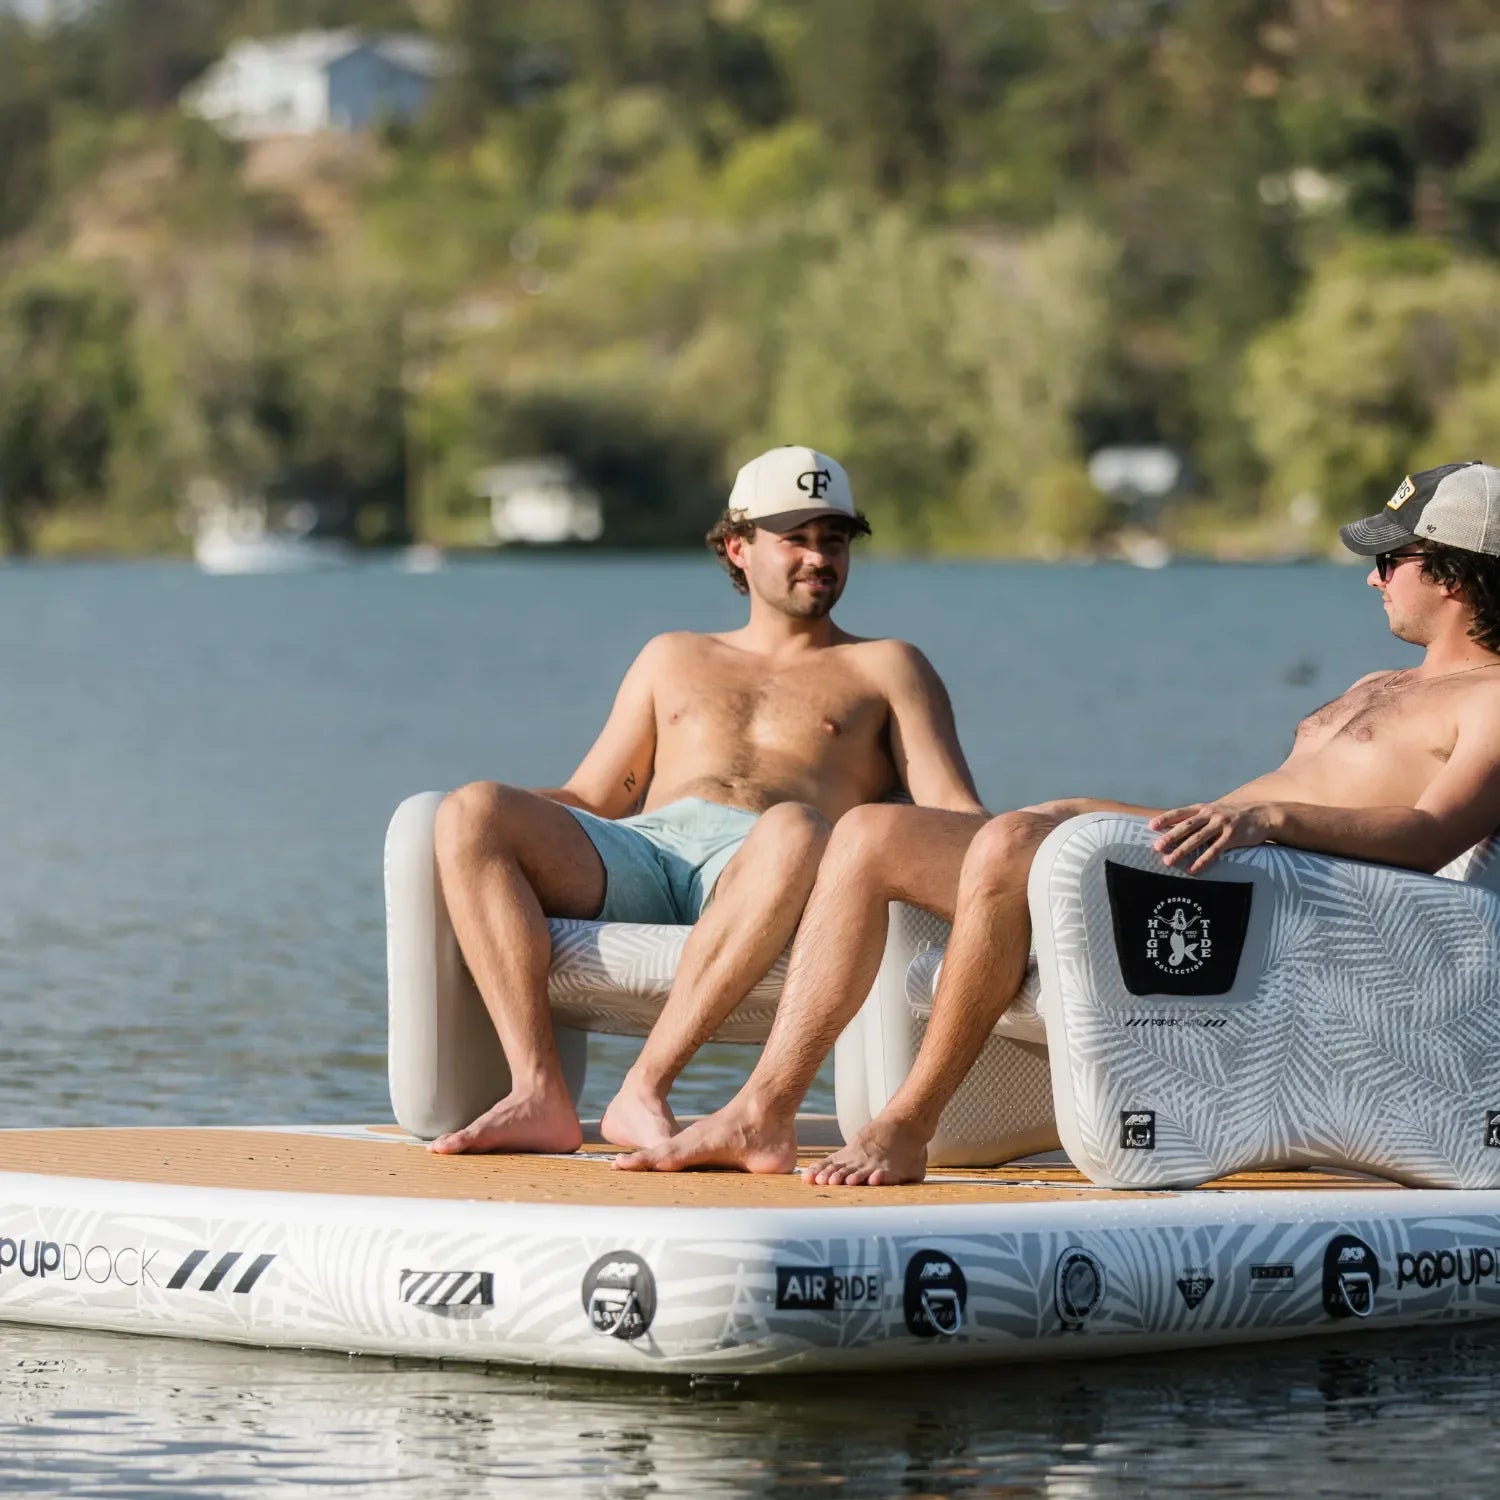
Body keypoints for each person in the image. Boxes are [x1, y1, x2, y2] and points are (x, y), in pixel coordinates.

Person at [616, 460, 1500, 1183]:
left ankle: (908, 1123)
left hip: (1283, 913)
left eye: (1395, 559)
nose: (1375, 576)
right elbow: (1229, 812)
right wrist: (1090, 812)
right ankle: (763, 1109)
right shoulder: (1379, 686)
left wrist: (1272, 818)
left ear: (1455, 574)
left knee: (1008, 843)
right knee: (871, 836)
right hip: (1222, 864)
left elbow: (1431, 837)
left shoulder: (1493, 697)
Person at [427, 445, 982, 1156]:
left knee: (794, 829)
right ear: (736, 547)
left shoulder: (887, 667)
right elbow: (595, 796)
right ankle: (537, 1091)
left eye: (835, 542)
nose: (820, 558)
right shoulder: (672, 656)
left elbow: (954, 811)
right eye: (798, 541)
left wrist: (1052, 831)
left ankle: (644, 1086)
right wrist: (482, 823)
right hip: (645, 852)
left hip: (773, 866)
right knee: (470, 809)